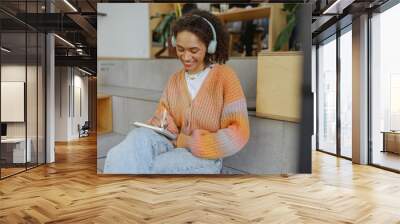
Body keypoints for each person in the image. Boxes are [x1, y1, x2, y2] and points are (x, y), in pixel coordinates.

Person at [103, 10, 250, 174]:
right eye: (180, 49)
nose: (186, 57)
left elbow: (239, 132)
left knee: (154, 167)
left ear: (210, 47)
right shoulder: (174, 80)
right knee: (127, 147)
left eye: (193, 51)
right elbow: (164, 117)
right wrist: (160, 125)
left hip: (205, 156)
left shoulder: (225, 77)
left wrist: (192, 143)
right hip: (173, 143)